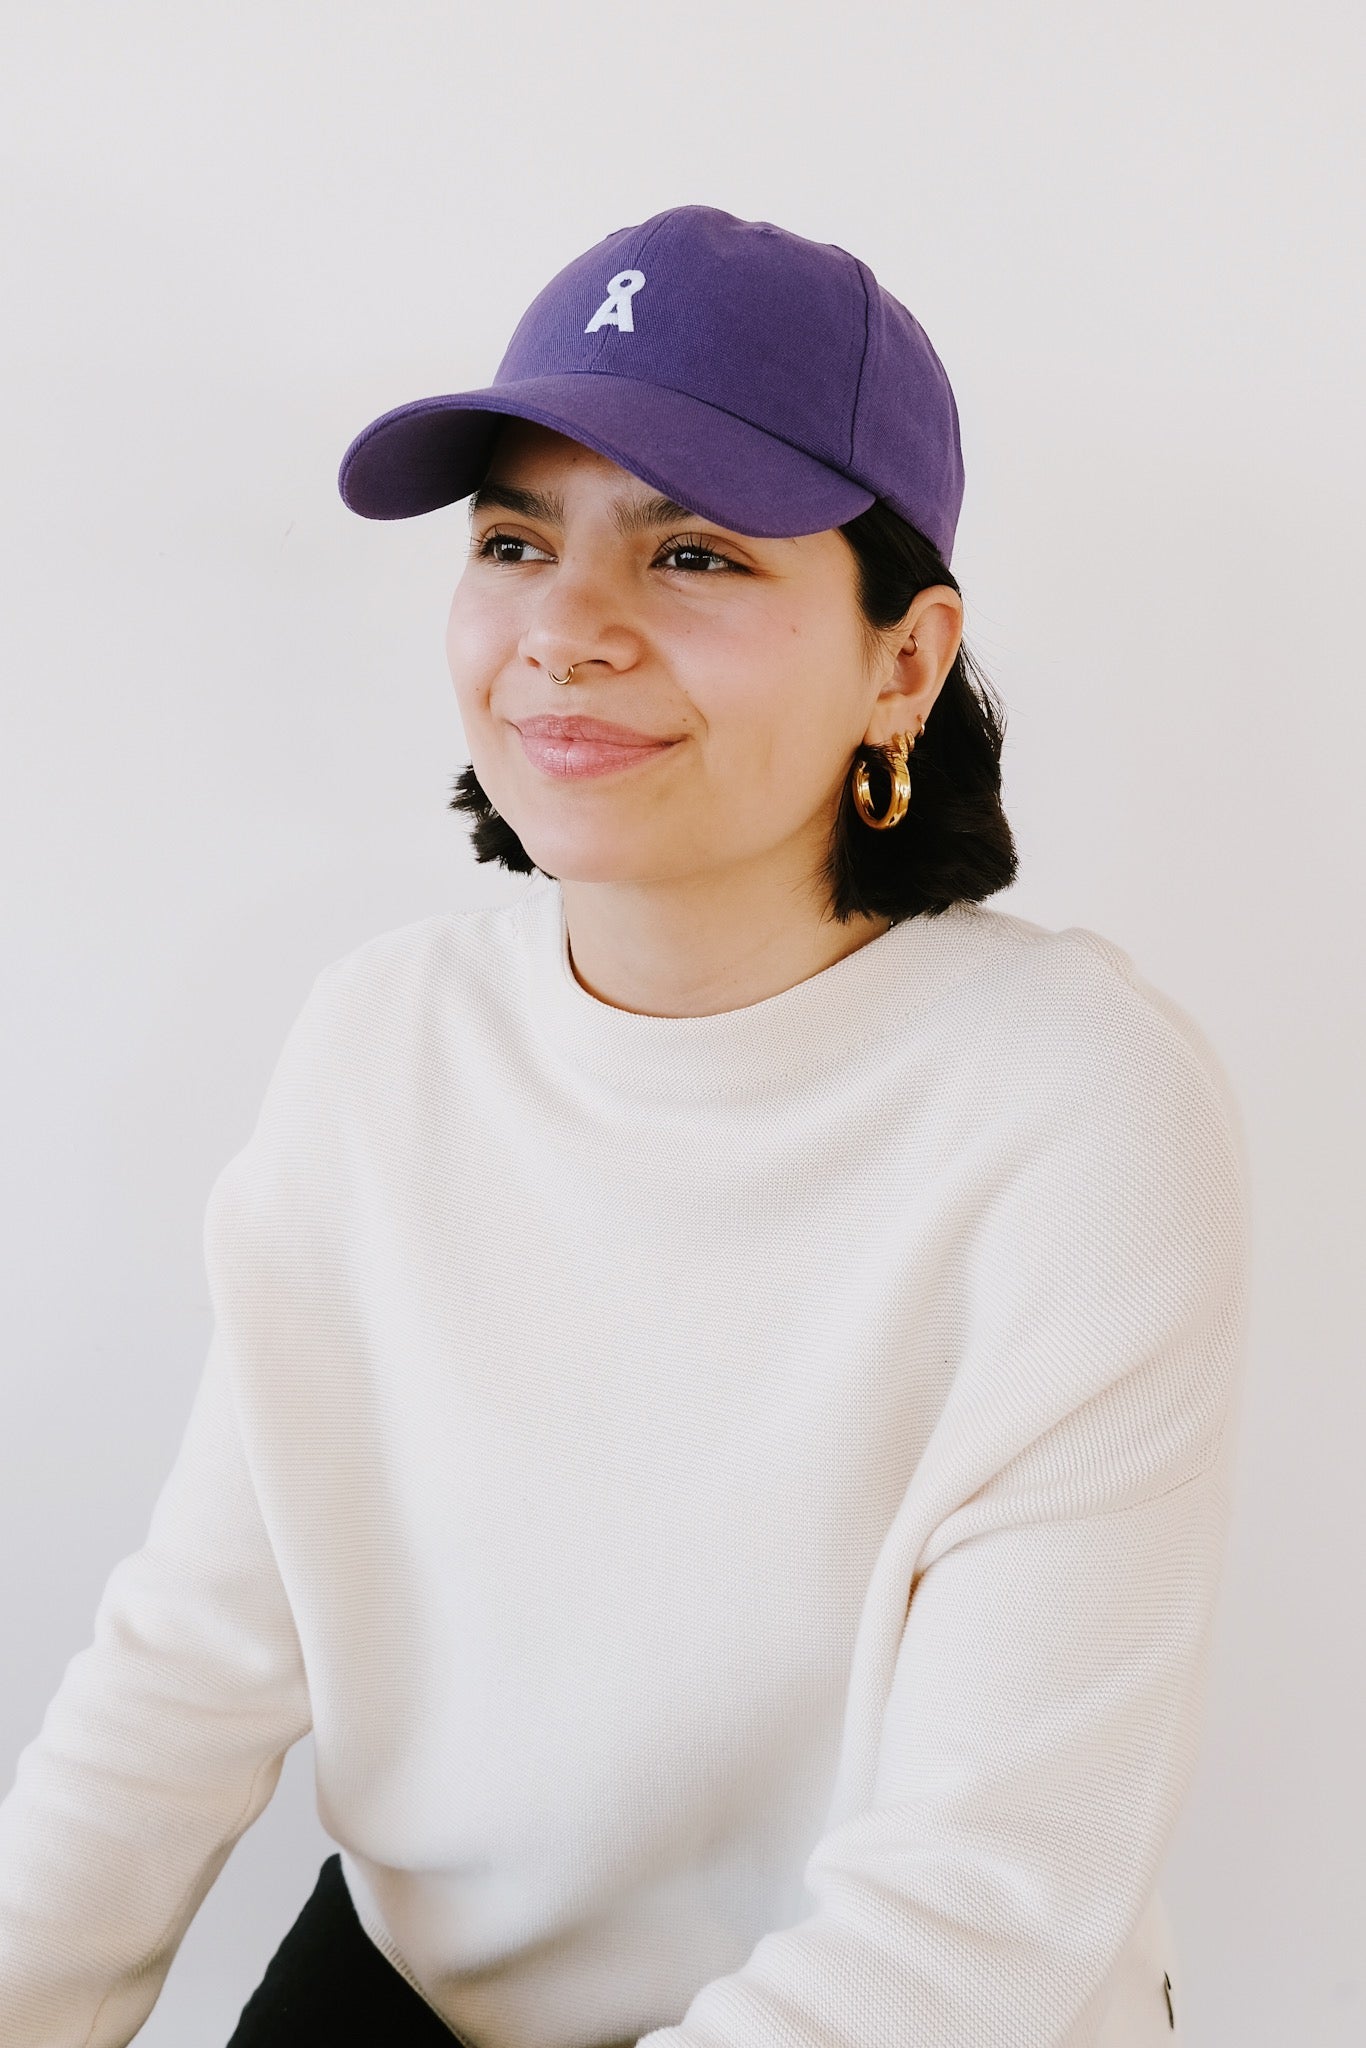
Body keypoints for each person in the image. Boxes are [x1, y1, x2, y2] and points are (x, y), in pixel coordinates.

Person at [0, 205, 1249, 2048]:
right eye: (514, 541)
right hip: (429, 1995)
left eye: (691, 553)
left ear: (903, 663)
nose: (564, 631)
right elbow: (187, 1670)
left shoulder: (1073, 1108)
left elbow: (980, 1908)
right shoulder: (379, 1045)